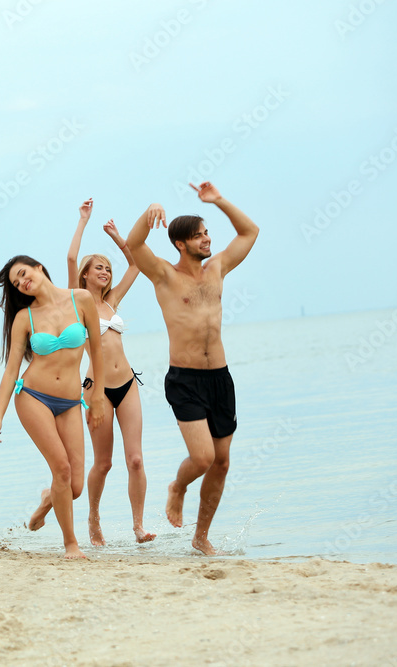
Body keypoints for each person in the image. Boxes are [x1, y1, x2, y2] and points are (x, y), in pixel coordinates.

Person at [126, 181, 259, 555]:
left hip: (220, 377)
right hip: (185, 379)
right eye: (198, 236)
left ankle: (200, 537)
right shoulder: (164, 275)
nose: (206, 239)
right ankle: (177, 487)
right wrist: (148, 210)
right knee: (203, 458)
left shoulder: (217, 268)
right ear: (180, 244)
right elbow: (135, 246)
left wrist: (218, 201)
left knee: (222, 463)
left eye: (206, 233)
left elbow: (250, 231)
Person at [0, 255, 106, 559]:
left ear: (39, 268)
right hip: (33, 396)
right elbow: (11, 369)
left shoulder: (82, 300)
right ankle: (71, 545)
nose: (22, 282)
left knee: (74, 486)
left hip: (70, 402)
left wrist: (98, 397)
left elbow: (97, 352)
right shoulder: (24, 317)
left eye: (24, 273)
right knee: (62, 469)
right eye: (17, 282)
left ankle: (46, 500)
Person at [67, 198, 155, 545]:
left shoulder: (112, 301)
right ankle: (93, 519)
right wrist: (83, 221)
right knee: (103, 464)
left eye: (106, 268)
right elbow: (71, 258)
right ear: (86, 274)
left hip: (128, 384)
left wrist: (119, 237)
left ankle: (138, 526)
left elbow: (134, 265)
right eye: (98, 268)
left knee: (135, 459)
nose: (104, 272)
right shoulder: (77, 302)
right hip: (97, 391)